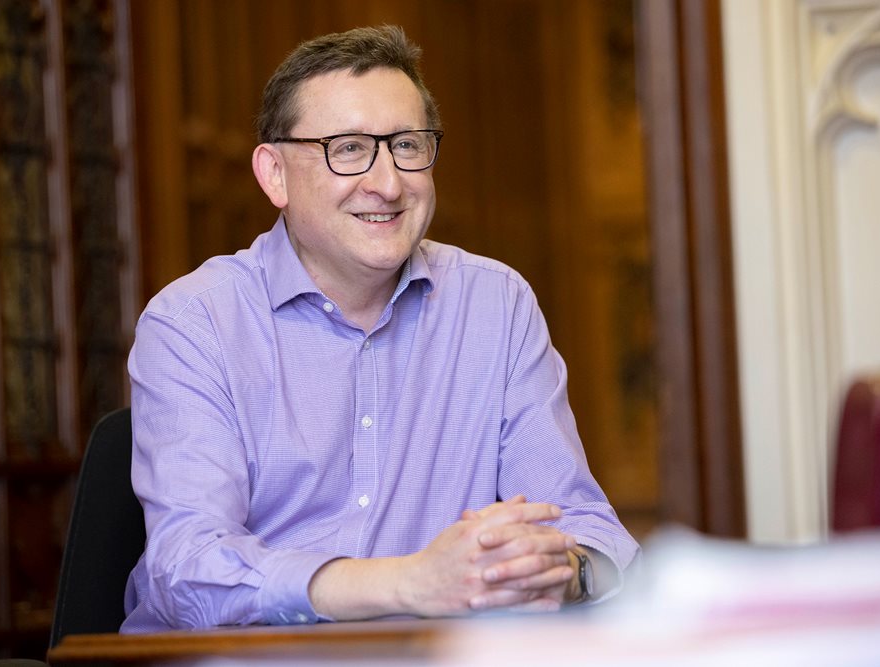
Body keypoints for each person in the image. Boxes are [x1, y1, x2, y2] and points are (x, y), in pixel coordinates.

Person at [121, 25, 639, 633]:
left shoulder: (495, 304)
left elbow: (592, 530)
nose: (389, 183)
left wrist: (555, 570)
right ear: (274, 175)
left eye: (408, 146)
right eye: (348, 149)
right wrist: (412, 581)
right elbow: (187, 572)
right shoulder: (194, 323)